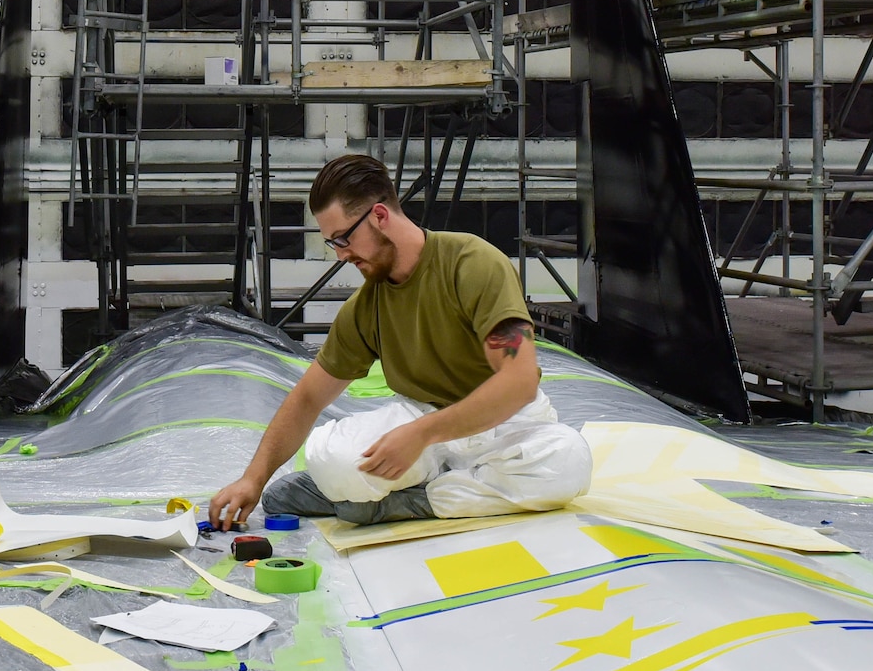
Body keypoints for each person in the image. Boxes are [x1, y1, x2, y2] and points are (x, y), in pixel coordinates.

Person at [209, 154, 592, 528]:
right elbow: (308, 398)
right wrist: (253, 479)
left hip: (503, 424)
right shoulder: (366, 305)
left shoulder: (473, 264)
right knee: (331, 458)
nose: (341, 255)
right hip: (419, 421)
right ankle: (426, 489)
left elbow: (519, 384)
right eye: (332, 244)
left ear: (379, 216)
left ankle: (405, 502)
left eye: (343, 238)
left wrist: (422, 434)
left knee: (567, 463)